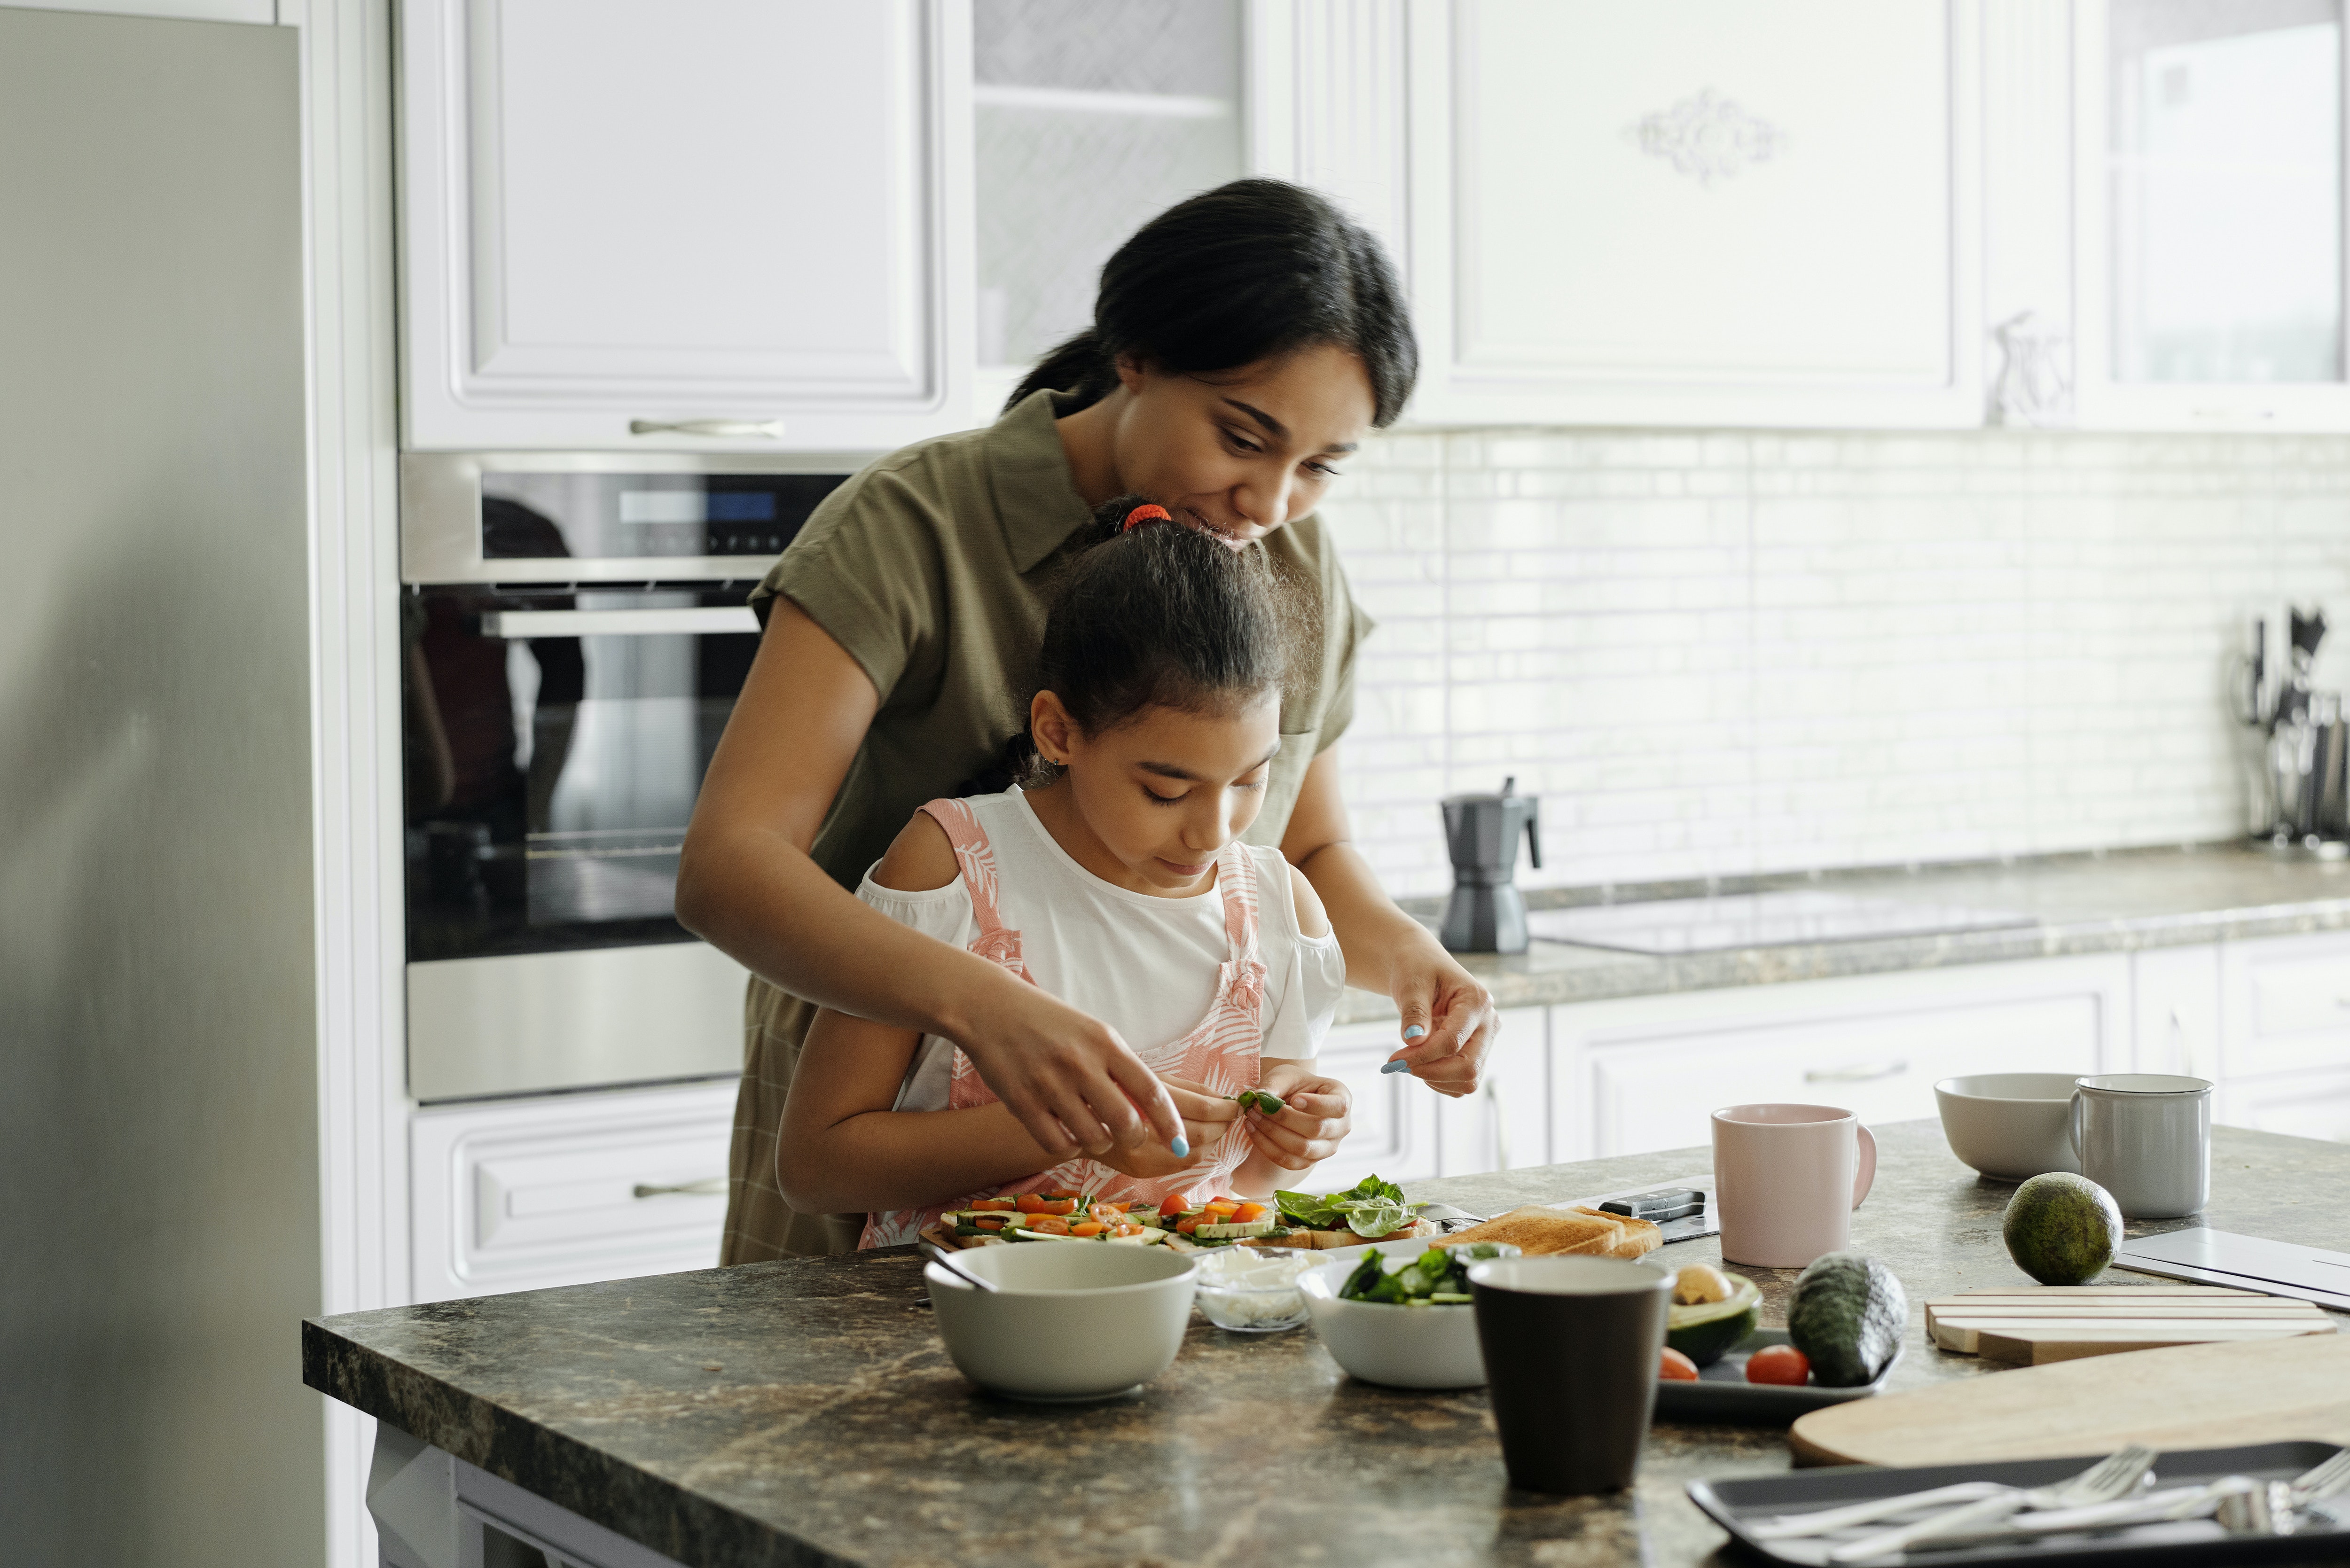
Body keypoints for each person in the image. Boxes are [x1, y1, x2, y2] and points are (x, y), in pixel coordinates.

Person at [677, 178, 1500, 1263]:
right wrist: (988, 1010)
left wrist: (1408, 961)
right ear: (1137, 357)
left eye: (1318, 468)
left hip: (1150, 1220)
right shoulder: (911, 524)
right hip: (884, 1124)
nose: (1270, 501)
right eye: (1243, 437)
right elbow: (729, 866)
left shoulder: (1290, 560)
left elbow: (1302, 846)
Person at [779, 500, 1345, 1240]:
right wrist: (1071, 1128)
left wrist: (1293, 1142)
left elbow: (1245, 1189)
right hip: (947, 1330)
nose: (1214, 830)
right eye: (1166, 790)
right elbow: (815, 1166)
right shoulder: (952, 869)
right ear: (1058, 730)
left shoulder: (1278, 910)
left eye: (1249, 780)